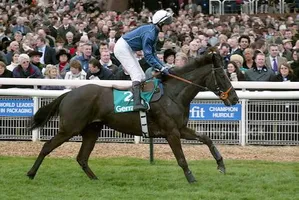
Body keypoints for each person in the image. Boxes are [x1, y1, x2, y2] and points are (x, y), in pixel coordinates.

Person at [114, 10, 173, 111]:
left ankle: (141, 100)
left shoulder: (154, 32)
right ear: (161, 23)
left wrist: (164, 66)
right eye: (167, 24)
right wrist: (161, 68)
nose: (169, 27)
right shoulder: (150, 33)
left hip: (127, 48)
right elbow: (148, 56)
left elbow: (153, 54)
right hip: (122, 48)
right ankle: (136, 104)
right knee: (136, 75)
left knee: (142, 76)